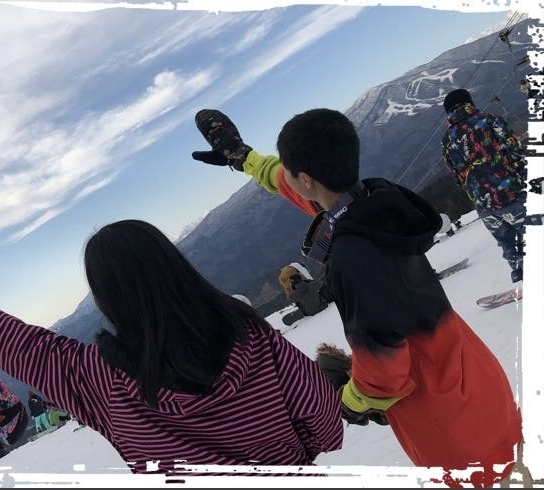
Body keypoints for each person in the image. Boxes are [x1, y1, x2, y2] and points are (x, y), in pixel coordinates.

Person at [191, 108, 521, 485]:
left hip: (448, 424)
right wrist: (244, 157)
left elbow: (385, 369)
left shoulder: (351, 258)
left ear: (307, 179)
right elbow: (293, 184)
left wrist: (349, 401)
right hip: (477, 381)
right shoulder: (374, 203)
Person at [0, 222, 344, 475]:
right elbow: (325, 426)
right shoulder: (256, 340)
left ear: (107, 299)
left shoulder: (102, 381)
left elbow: (25, 346)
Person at [441, 88, 528, 283]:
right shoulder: (489, 120)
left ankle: (520, 271)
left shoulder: (446, 140)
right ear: (469, 102)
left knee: (508, 245)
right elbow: (515, 150)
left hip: (484, 206)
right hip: (512, 194)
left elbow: (458, 177)